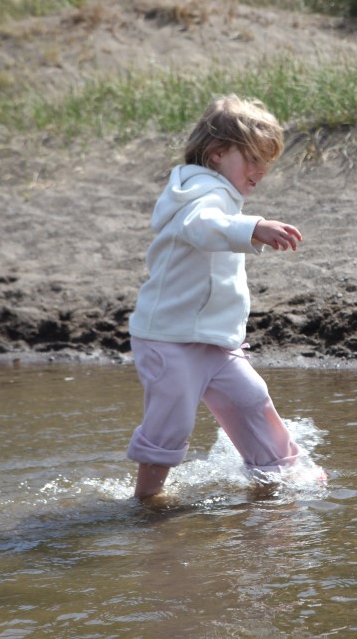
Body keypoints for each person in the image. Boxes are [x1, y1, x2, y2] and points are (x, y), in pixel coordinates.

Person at [126, 94, 313, 501]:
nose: (260, 171)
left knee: (251, 400)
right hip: (170, 339)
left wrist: (245, 225)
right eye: (253, 159)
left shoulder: (217, 192)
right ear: (216, 153)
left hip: (214, 341)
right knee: (171, 423)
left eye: (266, 162)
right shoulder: (202, 192)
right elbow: (202, 226)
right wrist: (253, 227)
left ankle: (281, 473)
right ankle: (145, 502)